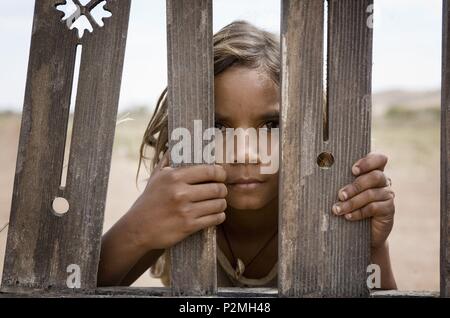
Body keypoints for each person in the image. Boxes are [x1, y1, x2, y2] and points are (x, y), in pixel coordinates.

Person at [97, 20, 397, 289]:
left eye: (271, 125)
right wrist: (138, 227)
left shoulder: (326, 212)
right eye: (218, 126)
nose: (245, 153)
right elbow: (86, 285)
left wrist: (370, 247)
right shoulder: (180, 208)